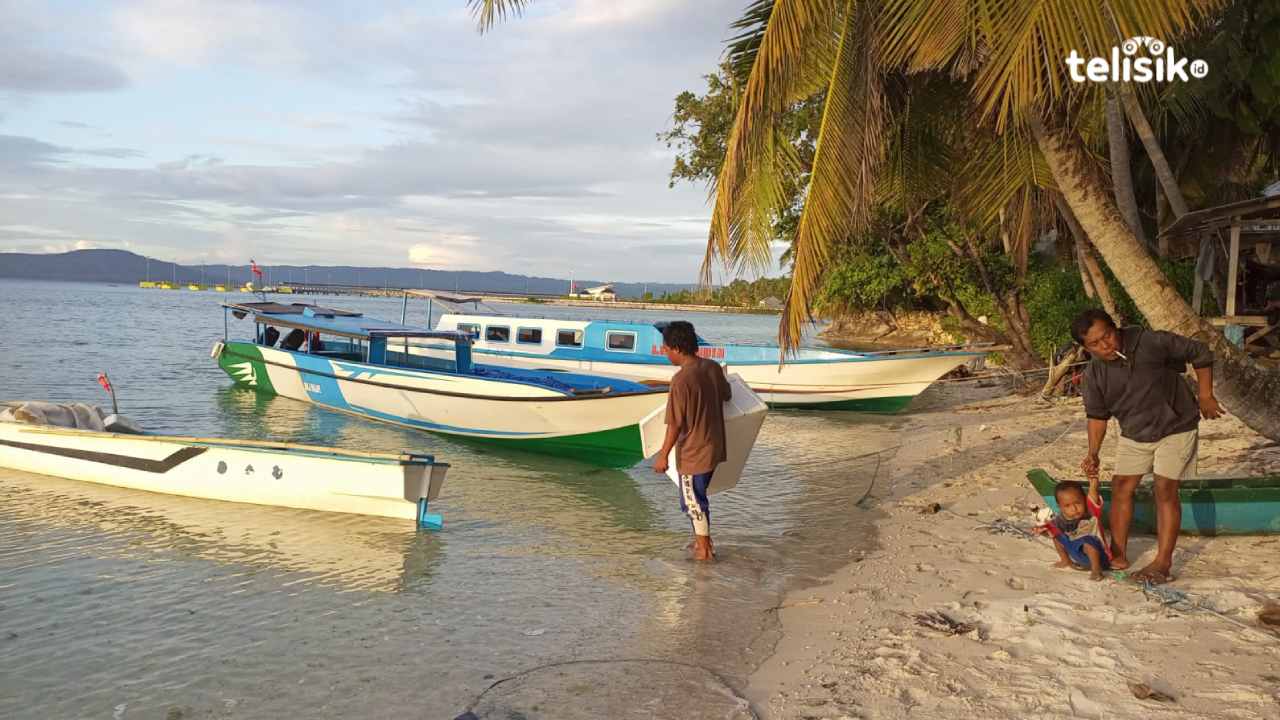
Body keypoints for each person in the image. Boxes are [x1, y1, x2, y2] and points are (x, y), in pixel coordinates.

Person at [1073, 308, 1223, 584]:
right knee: (1121, 488)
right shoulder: (1093, 375)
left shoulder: (1150, 342)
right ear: (1084, 348)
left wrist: (1205, 395)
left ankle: (1162, 563)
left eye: (1107, 336)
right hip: (1135, 432)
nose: (1105, 345)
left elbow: (1200, 352)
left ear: (1115, 328)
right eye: (1094, 344)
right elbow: (1097, 416)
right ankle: (1117, 552)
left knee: (1164, 489)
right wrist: (1092, 452)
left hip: (1176, 425)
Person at [653, 321, 731, 561]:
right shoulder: (712, 367)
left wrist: (663, 455)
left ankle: (704, 550)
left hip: (693, 452)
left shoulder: (680, 380)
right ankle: (704, 541)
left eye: (665, 348)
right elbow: (727, 395)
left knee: (692, 502)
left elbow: (675, 423)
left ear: (676, 348)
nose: (664, 352)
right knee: (698, 498)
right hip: (714, 446)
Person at [1038, 480, 1109, 581]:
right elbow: (1049, 530)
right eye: (1067, 506)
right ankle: (1065, 560)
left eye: (1077, 503)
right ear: (1060, 507)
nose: (1074, 508)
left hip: (1099, 557)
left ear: (1085, 500)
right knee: (1056, 536)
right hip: (1078, 555)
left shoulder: (1091, 512)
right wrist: (1041, 531)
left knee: (1087, 541)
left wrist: (1093, 483)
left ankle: (1096, 570)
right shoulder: (1059, 520)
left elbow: (1093, 497)